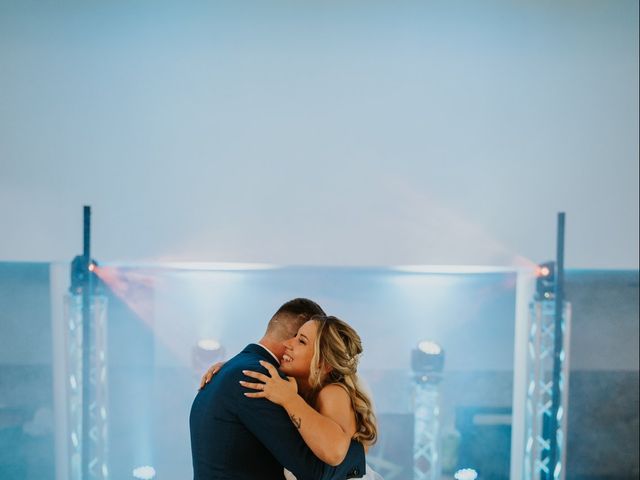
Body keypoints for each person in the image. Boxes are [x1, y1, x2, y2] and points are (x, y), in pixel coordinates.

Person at [190, 298, 366, 480]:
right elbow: (314, 470)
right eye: (298, 337)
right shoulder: (259, 376)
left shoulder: (239, 371)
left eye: (302, 341)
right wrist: (356, 452)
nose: (290, 344)